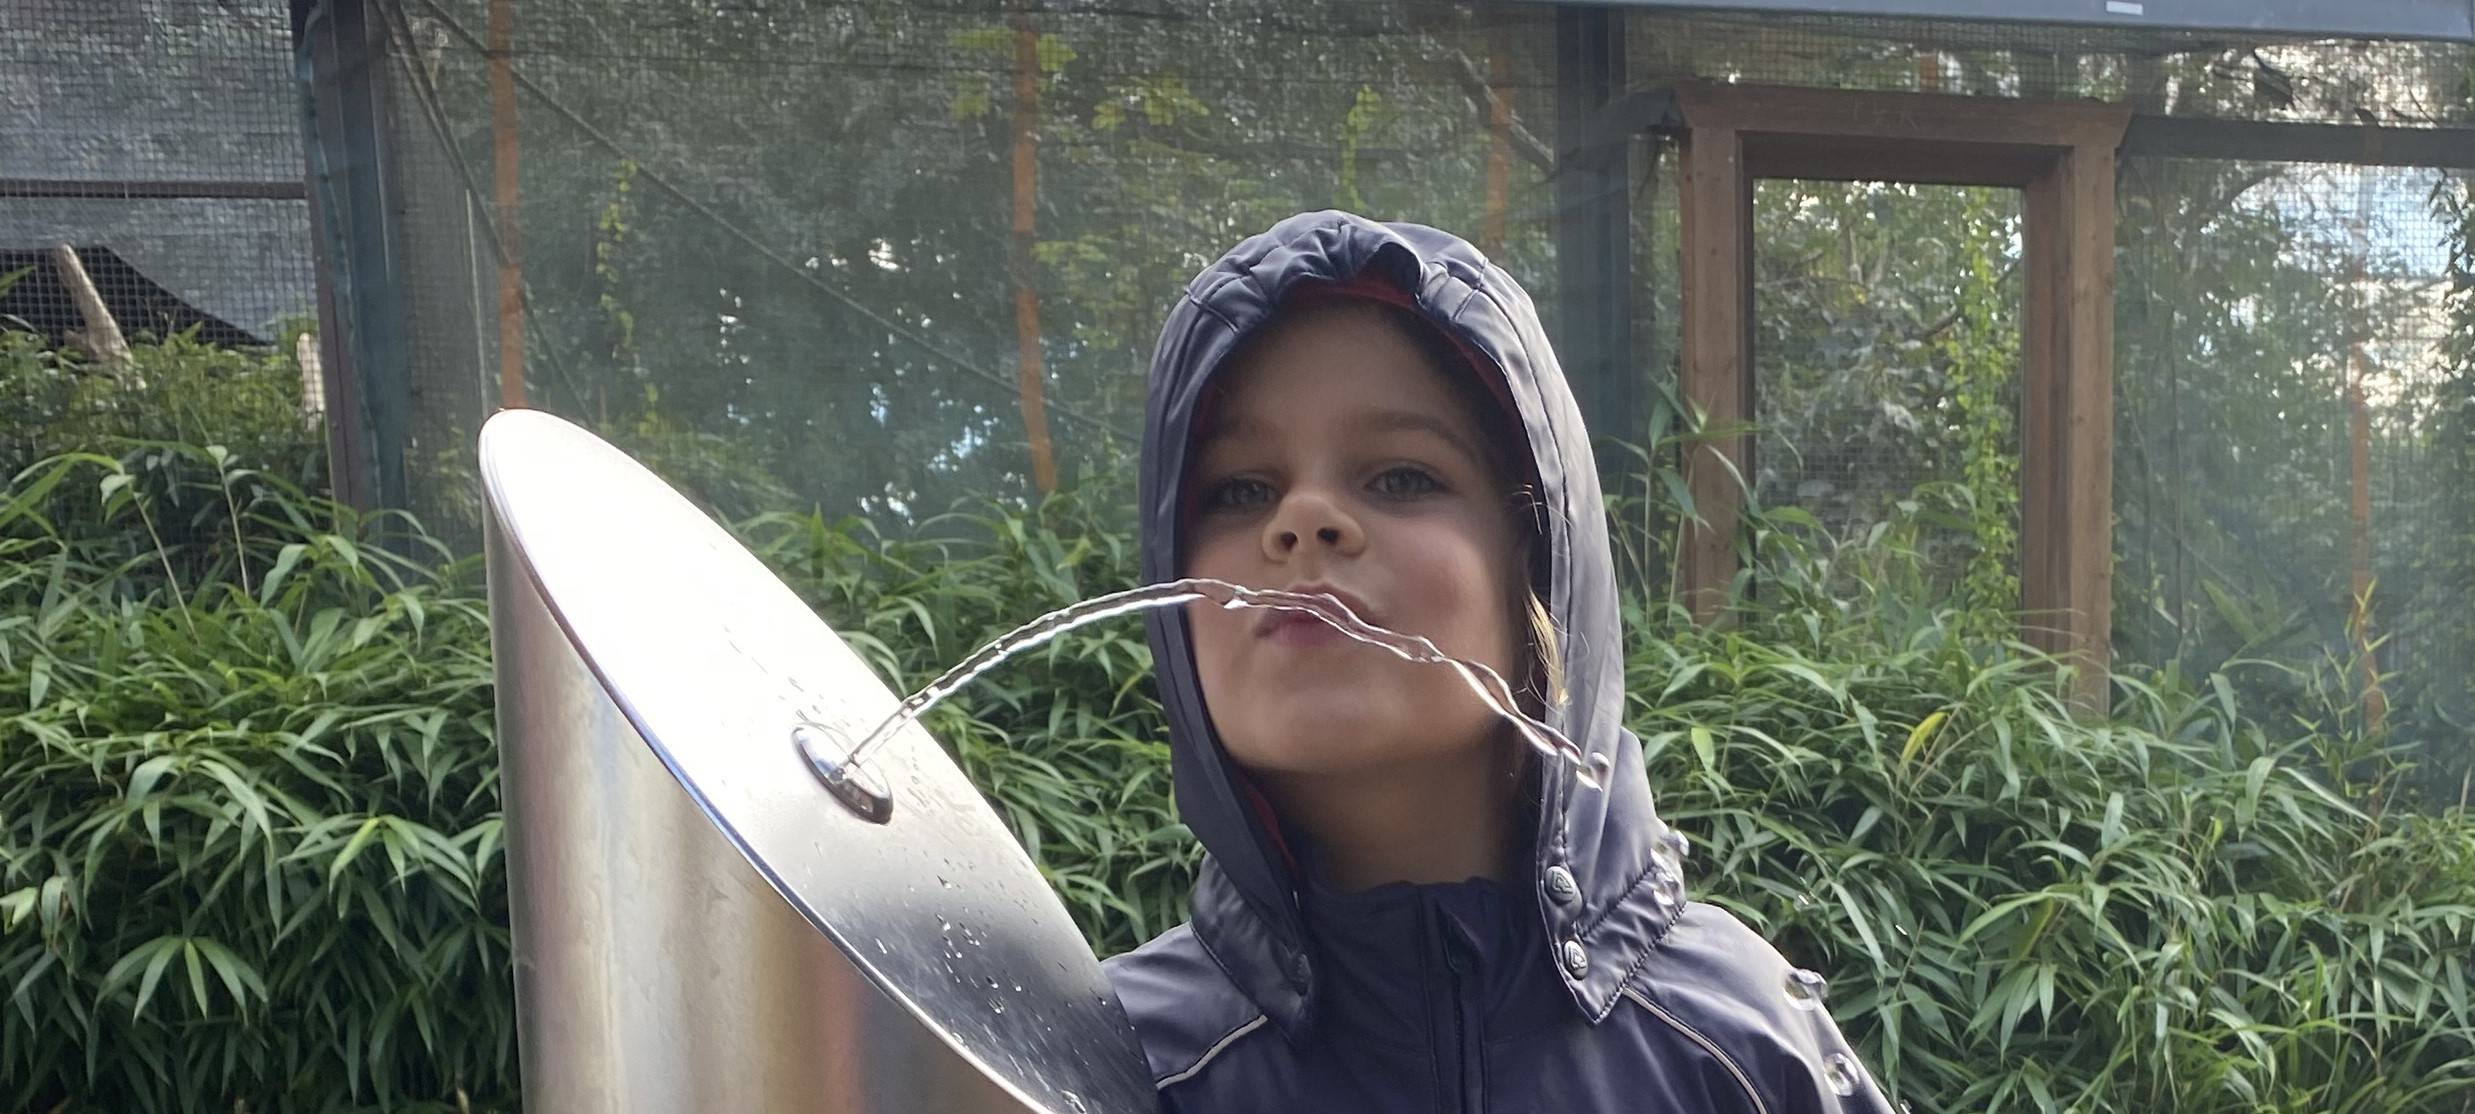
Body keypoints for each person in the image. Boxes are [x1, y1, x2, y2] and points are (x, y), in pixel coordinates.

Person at [1102, 210, 1900, 1114]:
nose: (1304, 517)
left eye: (1401, 476)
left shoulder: (1738, 1052)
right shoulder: (1107, 1069)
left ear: (1539, 561)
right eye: (1241, 490)